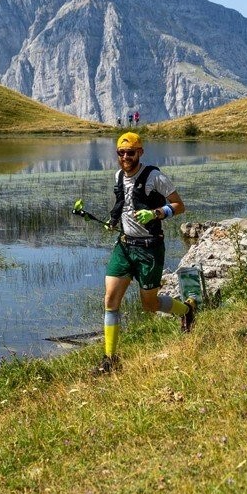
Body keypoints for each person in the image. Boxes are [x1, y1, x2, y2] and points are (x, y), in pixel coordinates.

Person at [98, 132, 194, 374]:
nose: (126, 157)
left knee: (149, 305)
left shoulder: (154, 176)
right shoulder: (118, 175)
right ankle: (110, 360)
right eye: (122, 152)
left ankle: (187, 311)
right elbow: (122, 204)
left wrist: (157, 213)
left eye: (131, 152)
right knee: (110, 301)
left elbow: (179, 205)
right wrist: (112, 221)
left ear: (140, 152)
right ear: (117, 154)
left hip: (150, 248)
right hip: (124, 246)